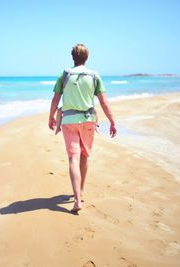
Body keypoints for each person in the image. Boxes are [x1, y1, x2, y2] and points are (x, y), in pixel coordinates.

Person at [48, 44, 117, 214]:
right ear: (87, 58)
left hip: (69, 120)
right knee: (85, 155)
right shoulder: (94, 75)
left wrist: (50, 116)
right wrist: (112, 122)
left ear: (73, 57)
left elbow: (55, 100)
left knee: (73, 158)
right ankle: (82, 190)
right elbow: (104, 102)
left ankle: (77, 199)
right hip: (88, 120)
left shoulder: (65, 75)